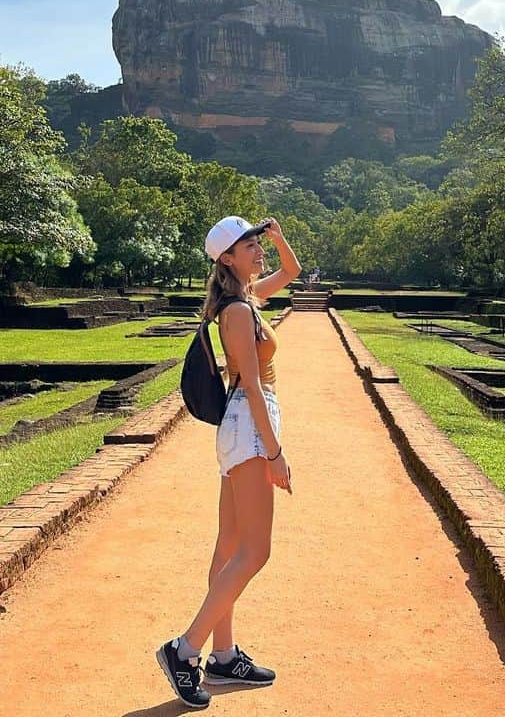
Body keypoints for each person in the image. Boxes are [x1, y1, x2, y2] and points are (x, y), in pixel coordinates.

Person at [156, 215, 301, 709]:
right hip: (249, 429)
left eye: (257, 243)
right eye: (249, 245)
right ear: (226, 257)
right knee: (255, 551)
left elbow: (292, 272)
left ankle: (222, 656)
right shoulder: (237, 311)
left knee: (230, 546)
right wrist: (275, 454)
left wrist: (278, 239)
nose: (257, 251)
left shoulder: (248, 298)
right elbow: (254, 386)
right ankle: (185, 649)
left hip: (243, 428)